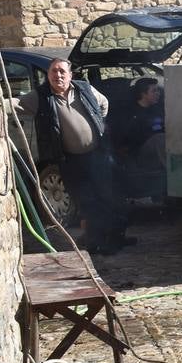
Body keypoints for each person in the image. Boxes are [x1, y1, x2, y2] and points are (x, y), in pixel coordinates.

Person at [14, 58, 130, 254]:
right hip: (70, 160)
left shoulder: (84, 89)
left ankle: (117, 238)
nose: (58, 75)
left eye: (62, 72)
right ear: (48, 75)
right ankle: (97, 243)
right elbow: (16, 103)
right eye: (53, 72)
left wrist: (98, 125)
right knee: (87, 201)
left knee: (108, 196)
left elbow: (103, 104)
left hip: (97, 155)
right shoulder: (41, 96)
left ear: (70, 75)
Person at [114, 77, 166, 172]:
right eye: (154, 91)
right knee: (160, 139)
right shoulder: (131, 114)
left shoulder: (157, 109)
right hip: (139, 153)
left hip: (159, 149)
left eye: (158, 90)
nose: (158, 93)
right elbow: (127, 140)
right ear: (143, 94)